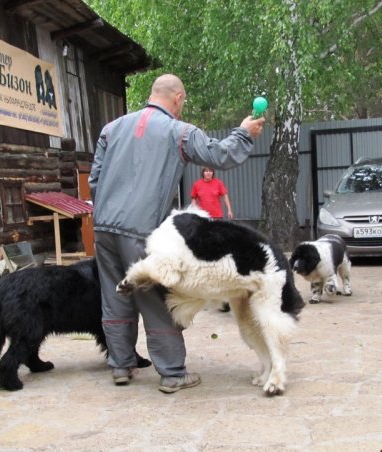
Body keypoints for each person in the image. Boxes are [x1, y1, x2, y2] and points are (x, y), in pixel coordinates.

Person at [89, 74, 265, 394]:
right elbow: (219, 155)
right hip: (139, 232)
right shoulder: (179, 132)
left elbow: (95, 179)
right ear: (178, 98)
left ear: (152, 94)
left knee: (114, 296)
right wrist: (244, 134)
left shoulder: (111, 129)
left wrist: (105, 211)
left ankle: (121, 365)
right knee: (155, 297)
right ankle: (172, 372)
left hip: (102, 227)